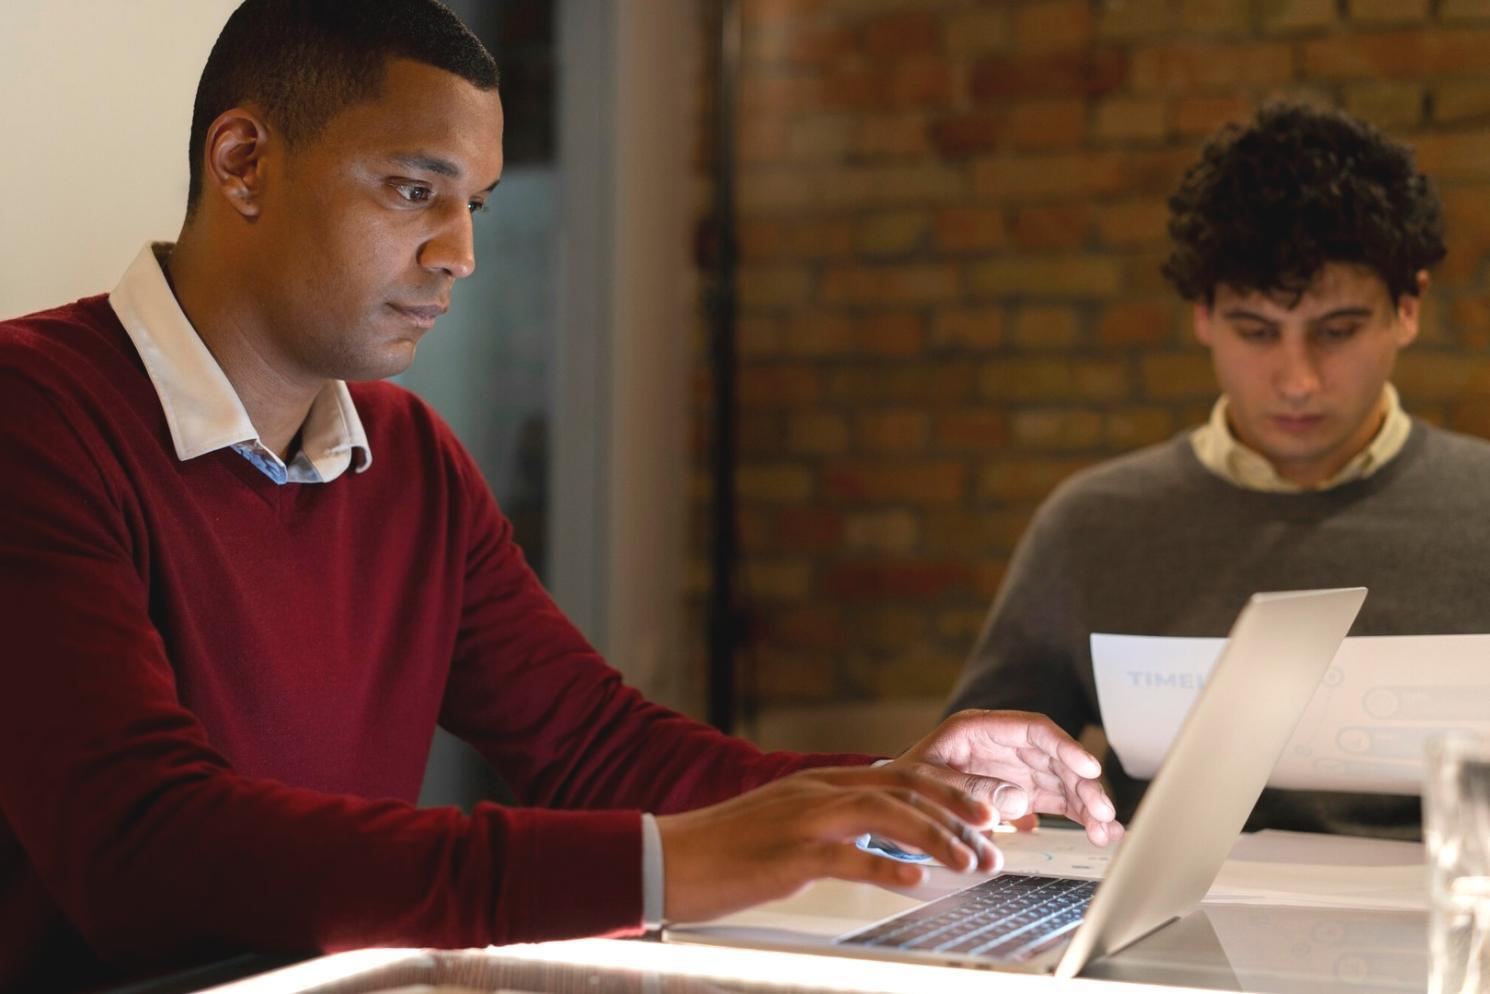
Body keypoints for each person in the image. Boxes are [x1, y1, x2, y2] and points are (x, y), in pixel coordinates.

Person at [0, 2, 1120, 990]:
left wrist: (889, 789)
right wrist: (667, 862)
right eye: (412, 191)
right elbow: (138, 846)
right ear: (243, 160)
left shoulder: (410, 458)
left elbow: (591, 744)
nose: (458, 254)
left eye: (475, 205)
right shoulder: (33, 412)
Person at [945, 102, 1490, 842]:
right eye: (1255, 331)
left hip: (1442, 938)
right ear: (1203, 315)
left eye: (1338, 331)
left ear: (1408, 308)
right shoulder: (1095, 525)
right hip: (1162, 937)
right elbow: (973, 785)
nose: (1297, 380)